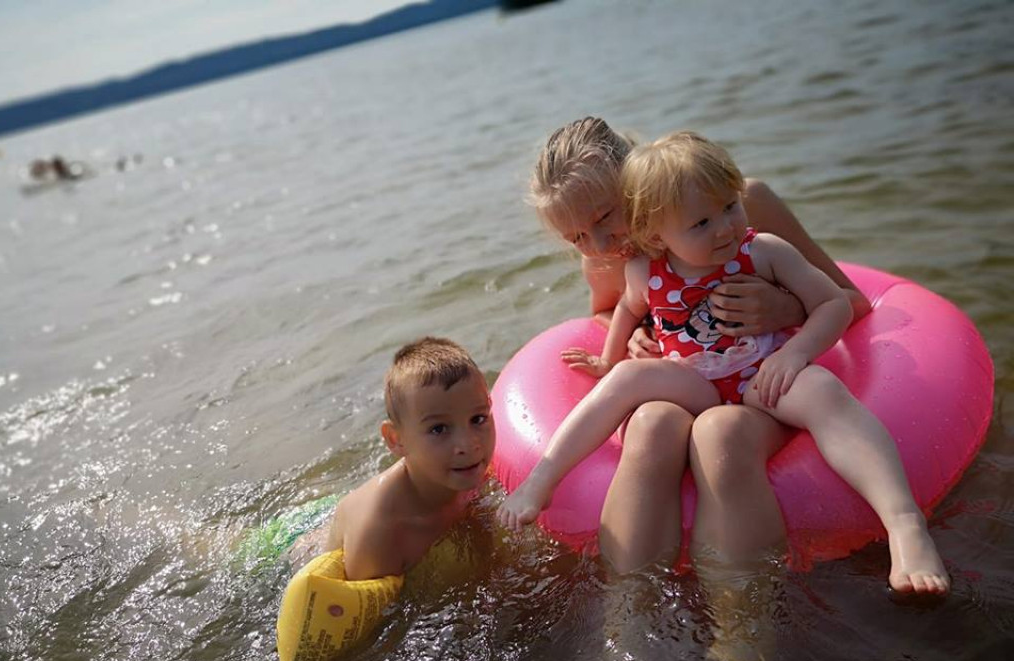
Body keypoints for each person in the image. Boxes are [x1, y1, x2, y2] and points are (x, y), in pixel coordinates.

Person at [502, 130, 949, 595]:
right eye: (576, 237)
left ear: (635, 186)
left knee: (751, 422)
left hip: (760, 371)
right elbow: (614, 308)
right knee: (651, 424)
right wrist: (635, 336)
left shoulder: (741, 214)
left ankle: (898, 527)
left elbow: (847, 301)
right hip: (689, 376)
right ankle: (630, 605)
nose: (598, 244)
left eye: (606, 216)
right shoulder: (613, 260)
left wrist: (783, 309)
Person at [302, 337, 496, 580]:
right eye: (439, 429)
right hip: (299, 543)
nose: (469, 445)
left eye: (478, 419)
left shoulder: (465, 468)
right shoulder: (381, 534)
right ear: (395, 439)